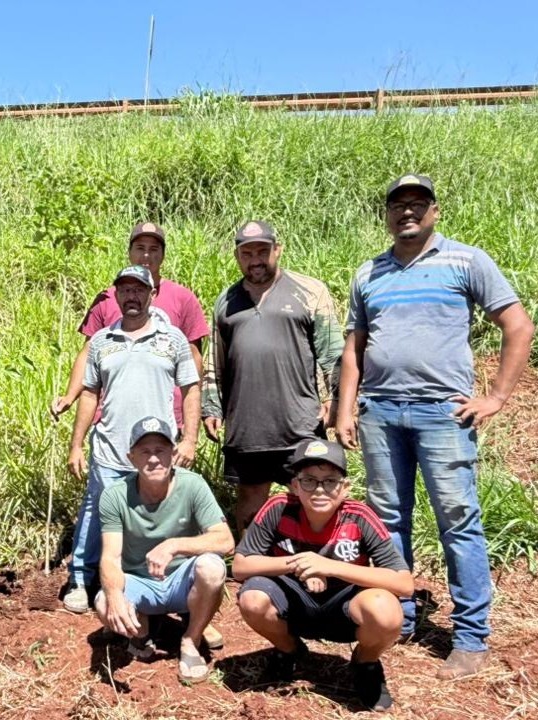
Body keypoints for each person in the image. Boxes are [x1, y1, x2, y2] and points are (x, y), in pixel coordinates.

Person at [336, 174, 535, 680]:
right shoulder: (370, 272)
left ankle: (470, 637)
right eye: (398, 204)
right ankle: (400, 618)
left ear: (434, 211)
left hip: (442, 413)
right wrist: (345, 409)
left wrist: (496, 397)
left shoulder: (466, 261)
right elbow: (355, 348)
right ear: (386, 215)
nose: (407, 211)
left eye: (418, 203)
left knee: (458, 521)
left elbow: (518, 325)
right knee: (387, 519)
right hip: (380, 412)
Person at [233, 438, 413, 712]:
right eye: (309, 481)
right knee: (252, 599)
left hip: (344, 607)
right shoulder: (278, 508)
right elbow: (240, 566)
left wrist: (329, 566)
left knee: (386, 611)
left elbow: (404, 583)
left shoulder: (359, 516)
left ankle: (365, 662)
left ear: (345, 488)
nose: (319, 490)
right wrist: (300, 564)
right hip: (293, 603)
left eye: (330, 481)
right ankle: (289, 650)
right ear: (294, 485)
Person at [65, 265, 201, 614]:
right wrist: (76, 444)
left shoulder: (172, 339)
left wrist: (189, 439)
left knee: (155, 518)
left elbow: (191, 389)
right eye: (125, 290)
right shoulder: (101, 341)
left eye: (139, 289)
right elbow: (90, 394)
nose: (132, 296)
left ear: (152, 294)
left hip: (156, 454)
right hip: (110, 450)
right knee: (98, 512)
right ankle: (80, 579)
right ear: (116, 295)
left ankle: (151, 586)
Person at [202, 221, 343, 533]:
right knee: (250, 501)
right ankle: (250, 559)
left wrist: (337, 400)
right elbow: (215, 357)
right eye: (247, 253)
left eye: (262, 251)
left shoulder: (310, 291)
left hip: (300, 422)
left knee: (312, 496)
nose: (255, 260)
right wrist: (211, 405)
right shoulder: (226, 301)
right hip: (247, 426)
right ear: (237, 257)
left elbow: (333, 352)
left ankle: (314, 558)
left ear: (277, 250)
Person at [96, 416, 233, 684]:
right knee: (103, 603)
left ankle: (191, 639)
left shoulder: (193, 485)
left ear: (173, 453)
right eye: (144, 452)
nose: (153, 459)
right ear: (131, 458)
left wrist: (175, 545)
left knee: (212, 568)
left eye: (160, 450)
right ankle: (142, 629)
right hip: (140, 581)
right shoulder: (114, 495)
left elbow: (225, 541)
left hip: (182, 581)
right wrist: (114, 595)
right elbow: (110, 557)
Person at [51, 222, 210, 423]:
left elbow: (194, 357)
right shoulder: (107, 298)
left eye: (154, 249)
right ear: (129, 252)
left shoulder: (183, 298)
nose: (146, 255)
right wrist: (70, 396)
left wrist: (191, 417)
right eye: (140, 248)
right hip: (111, 415)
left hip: (166, 418)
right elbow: (88, 352)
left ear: (163, 255)